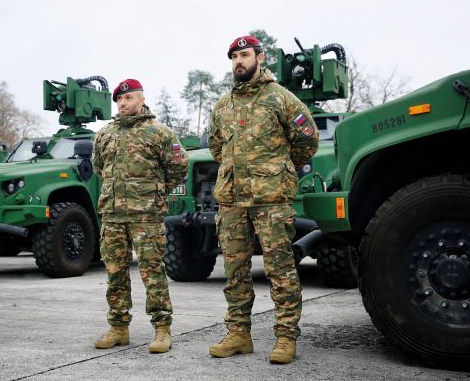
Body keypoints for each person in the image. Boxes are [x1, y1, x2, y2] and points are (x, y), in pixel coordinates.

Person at [208, 36, 319, 364]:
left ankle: (285, 338)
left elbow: (307, 140)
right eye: (233, 57)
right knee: (235, 271)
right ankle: (239, 334)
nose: (238, 62)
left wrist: (280, 169)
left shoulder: (280, 98)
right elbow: (216, 146)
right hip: (232, 200)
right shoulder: (223, 105)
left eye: (244, 55)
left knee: (280, 269)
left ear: (260, 57)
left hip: (271, 199)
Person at [92, 79, 188, 354]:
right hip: (112, 214)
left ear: (141, 99)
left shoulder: (159, 132)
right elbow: (99, 168)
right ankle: (119, 328)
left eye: (129, 98)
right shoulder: (105, 134)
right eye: (119, 100)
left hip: (146, 215)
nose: (123, 104)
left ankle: (161, 329)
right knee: (115, 273)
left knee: (152, 271)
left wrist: (156, 191)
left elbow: (179, 166)